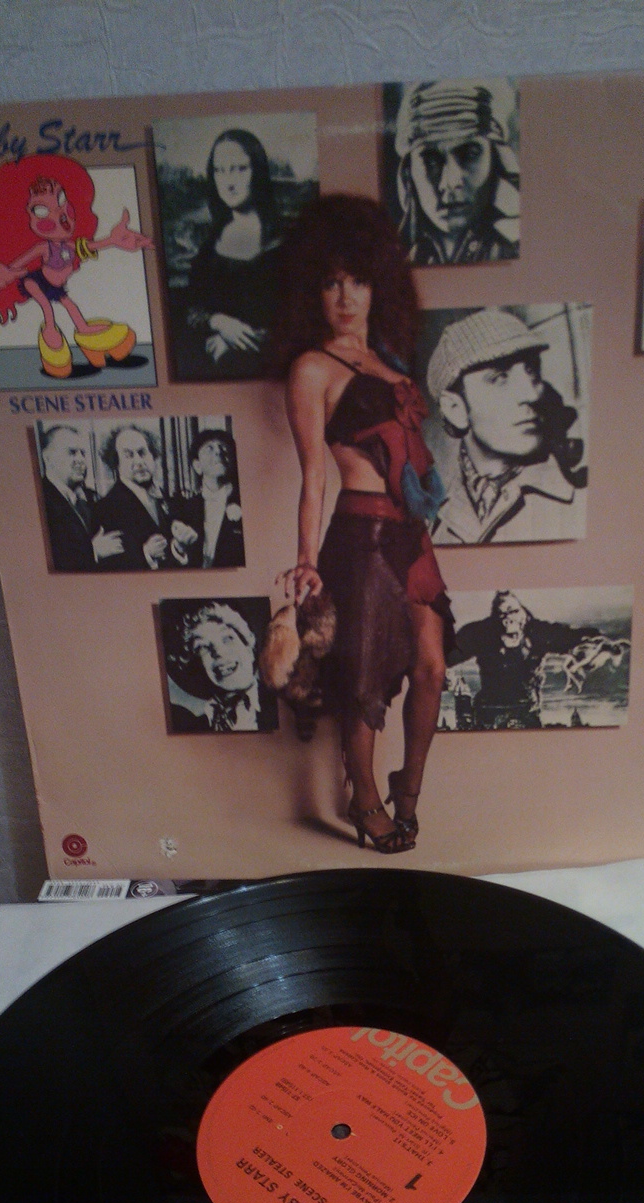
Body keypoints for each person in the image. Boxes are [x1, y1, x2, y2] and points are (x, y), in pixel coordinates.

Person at [271, 193, 454, 853]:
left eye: (358, 280)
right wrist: (305, 559)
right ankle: (364, 797)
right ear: (313, 293)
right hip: (360, 537)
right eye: (330, 283)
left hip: (411, 534)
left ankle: (409, 784)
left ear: (380, 285)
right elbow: (313, 475)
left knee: (432, 668)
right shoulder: (311, 368)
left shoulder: (390, 360)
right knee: (365, 679)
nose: (345, 297)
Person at [0, 153, 151, 379]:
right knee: (48, 311)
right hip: (36, 282)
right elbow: (19, 265)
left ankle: (90, 338)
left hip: (56, 285)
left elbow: (92, 245)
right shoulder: (43, 247)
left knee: (71, 307)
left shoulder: (70, 245)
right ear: (25, 219)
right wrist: (7, 273)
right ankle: (55, 356)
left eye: (62, 201)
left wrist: (113, 240)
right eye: (41, 210)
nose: (59, 215)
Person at [427, 307, 587, 544]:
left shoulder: (581, 499)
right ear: (455, 409)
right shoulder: (431, 521)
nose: (532, 393)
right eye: (500, 377)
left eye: (531, 370)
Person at [177, 128, 283, 380]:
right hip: (212, 370)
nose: (228, 181)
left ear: (258, 171)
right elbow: (191, 311)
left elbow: (298, 323)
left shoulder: (284, 242)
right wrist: (219, 322)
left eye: (239, 169)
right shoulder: (208, 245)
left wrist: (234, 342)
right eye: (219, 170)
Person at [392, 80, 520, 265]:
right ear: (407, 174)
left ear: (497, 160)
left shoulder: (516, 249)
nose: (449, 182)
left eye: (469, 155)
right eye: (430, 161)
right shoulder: (399, 258)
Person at [451, 591, 620, 729]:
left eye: (513, 611)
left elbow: (570, 636)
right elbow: (448, 655)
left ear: (524, 614)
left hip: (526, 711)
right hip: (489, 712)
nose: (508, 619)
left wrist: (593, 643)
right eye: (501, 614)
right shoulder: (480, 632)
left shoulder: (537, 631)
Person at [94, 426, 194, 572]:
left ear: (153, 456)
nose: (139, 461)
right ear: (116, 463)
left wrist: (178, 548)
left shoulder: (168, 499)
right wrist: (146, 554)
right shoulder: (106, 508)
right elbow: (109, 568)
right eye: (129, 455)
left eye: (142, 452)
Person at [166, 601, 274, 732]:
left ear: (249, 647)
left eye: (228, 638)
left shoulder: (279, 705)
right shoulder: (196, 727)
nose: (219, 652)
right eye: (203, 647)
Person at [40, 425, 123, 573]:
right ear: (48, 458)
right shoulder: (40, 502)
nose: (81, 460)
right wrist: (93, 552)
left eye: (83, 453)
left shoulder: (92, 498)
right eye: (72, 452)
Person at [169, 429, 245, 568]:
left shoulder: (245, 503)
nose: (218, 452)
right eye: (210, 448)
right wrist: (179, 548)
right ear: (197, 466)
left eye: (223, 448)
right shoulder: (184, 507)